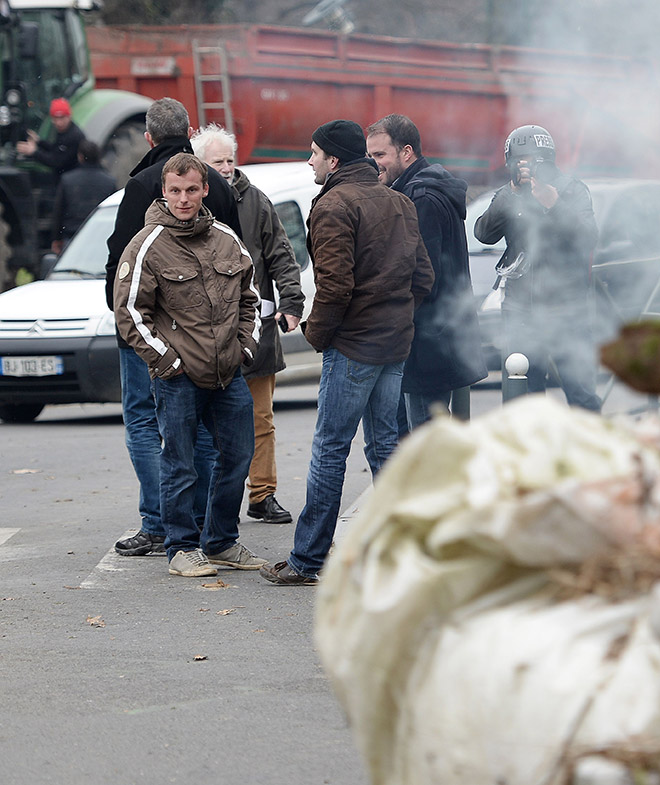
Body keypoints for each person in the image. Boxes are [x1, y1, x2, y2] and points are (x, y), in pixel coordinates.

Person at [261, 120, 433, 585]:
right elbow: (423, 278)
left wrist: (317, 335)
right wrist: (394, 316)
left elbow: (334, 287)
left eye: (314, 153)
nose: (310, 161)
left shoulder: (334, 204)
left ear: (334, 160)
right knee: (385, 448)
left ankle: (307, 560)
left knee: (330, 449)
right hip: (392, 343)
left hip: (354, 346)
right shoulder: (398, 200)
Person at [112, 153, 264, 577]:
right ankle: (181, 547)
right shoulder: (146, 244)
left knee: (237, 457)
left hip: (228, 372)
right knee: (180, 463)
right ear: (164, 191)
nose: (183, 199)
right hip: (179, 377)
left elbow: (249, 298)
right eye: (175, 191)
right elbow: (128, 312)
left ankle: (220, 542)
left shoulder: (225, 237)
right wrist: (167, 360)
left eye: (192, 190)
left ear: (204, 191)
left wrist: (245, 348)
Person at [192, 123, 305, 524]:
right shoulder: (188, 206)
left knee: (260, 418)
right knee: (207, 426)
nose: (225, 167)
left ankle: (262, 494)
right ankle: (210, 500)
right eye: (216, 161)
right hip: (204, 336)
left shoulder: (256, 201)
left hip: (255, 328)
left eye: (229, 159)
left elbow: (281, 256)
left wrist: (291, 300)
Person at [365, 114, 485, 428]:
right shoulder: (426, 189)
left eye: (380, 155)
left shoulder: (421, 199)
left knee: (421, 439)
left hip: (427, 341)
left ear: (407, 153)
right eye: (370, 156)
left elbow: (422, 275)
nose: (373, 164)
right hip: (439, 336)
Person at [473, 124, 601, 411]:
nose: (524, 168)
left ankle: (586, 452)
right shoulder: (510, 193)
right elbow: (483, 233)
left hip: (567, 310)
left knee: (581, 394)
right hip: (521, 309)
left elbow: (588, 237)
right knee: (522, 395)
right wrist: (512, 192)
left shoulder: (571, 189)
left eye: (530, 161)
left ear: (546, 159)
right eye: (518, 162)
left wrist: (554, 204)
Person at [52, 140, 118, 254]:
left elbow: (59, 212)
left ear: (80, 156)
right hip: (100, 237)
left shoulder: (67, 180)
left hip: (73, 236)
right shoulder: (110, 182)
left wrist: (56, 238)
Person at [17, 97, 85, 178]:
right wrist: (39, 141)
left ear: (69, 116)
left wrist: (33, 152)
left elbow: (56, 161)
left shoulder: (73, 136)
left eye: (62, 118)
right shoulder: (63, 130)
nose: (59, 123)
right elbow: (56, 149)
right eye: (56, 119)